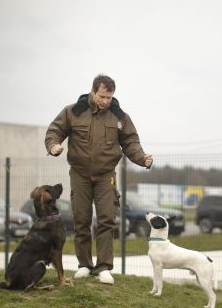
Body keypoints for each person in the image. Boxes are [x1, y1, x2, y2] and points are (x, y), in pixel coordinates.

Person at [45, 74, 153, 284]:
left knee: (107, 220)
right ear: (93, 92)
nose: (105, 101)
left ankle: (103, 268)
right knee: (82, 219)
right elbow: (54, 131)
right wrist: (53, 146)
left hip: (106, 176)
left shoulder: (119, 116)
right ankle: (84, 265)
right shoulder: (73, 111)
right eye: (102, 96)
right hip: (80, 174)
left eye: (109, 97)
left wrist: (143, 159)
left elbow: (131, 142)